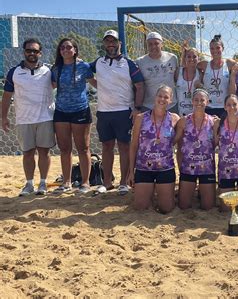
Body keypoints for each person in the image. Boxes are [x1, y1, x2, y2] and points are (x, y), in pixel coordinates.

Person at [90, 30, 145, 195]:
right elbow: (84, 71)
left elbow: (140, 85)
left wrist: (137, 108)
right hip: (104, 111)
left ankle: (123, 182)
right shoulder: (98, 62)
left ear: (119, 43)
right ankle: (107, 183)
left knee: (124, 147)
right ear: (104, 44)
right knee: (106, 147)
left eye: (113, 41)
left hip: (123, 111)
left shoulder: (129, 63)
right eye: (107, 41)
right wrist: (96, 84)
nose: (110, 44)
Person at [1, 38, 55, 196]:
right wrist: (3, 117)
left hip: (45, 117)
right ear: (24, 52)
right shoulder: (14, 72)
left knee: (44, 152)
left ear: (40, 53)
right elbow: (6, 96)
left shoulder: (49, 70)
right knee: (27, 153)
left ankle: (43, 183)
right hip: (23, 119)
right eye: (29, 50)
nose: (32, 53)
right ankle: (29, 184)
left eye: (35, 51)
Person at [51, 38, 96, 194]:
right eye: (62, 47)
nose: (65, 49)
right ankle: (66, 182)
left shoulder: (84, 66)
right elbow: (47, 87)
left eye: (69, 47)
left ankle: (85, 183)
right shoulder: (56, 69)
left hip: (80, 110)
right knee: (64, 149)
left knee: (83, 148)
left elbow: (96, 83)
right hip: (61, 112)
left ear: (75, 50)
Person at [128, 85, 180, 212]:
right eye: (160, 96)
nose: (162, 99)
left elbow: (178, 142)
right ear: (155, 97)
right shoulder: (141, 118)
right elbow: (134, 145)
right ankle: (149, 193)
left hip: (165, 168)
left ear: (171, 100)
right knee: (141, 207)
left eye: (166, 97)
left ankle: (160, 194)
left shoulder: (175, 119)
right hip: (144, 167)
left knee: (166, 209)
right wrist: (131, 172)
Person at [175, 89, 217, 210]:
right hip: (188, 168)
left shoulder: (213, 121)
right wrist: (181, 170)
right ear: (192, 102)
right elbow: (178, 145)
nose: (199, 102)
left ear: (207, 102)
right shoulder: (183, 121)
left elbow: (216, 144)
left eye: (202, 100)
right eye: (196, 100)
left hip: (207, 169)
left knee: (208, 207)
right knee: (183, 206)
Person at [135, 32, 179, 113]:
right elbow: (138, 85)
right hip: (149, 106)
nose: (153, 46)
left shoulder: (172, 58)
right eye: (150, 44)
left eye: (156, 43)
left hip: (170, 105)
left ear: (162, 44)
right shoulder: (140, 62)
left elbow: (177, 79)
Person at [200, 35, 238, 118]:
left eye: (218, 48)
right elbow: (187, 66)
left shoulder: (228, 63)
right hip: (208, 107)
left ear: (223, 48)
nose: (215, 51)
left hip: (224, 108)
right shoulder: (204, 65)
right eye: (212, 48)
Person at [176, 46, 201, 116]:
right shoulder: (178, 72)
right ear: (185, 58)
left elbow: (205, 92)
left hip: (195, 116)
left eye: (194, 56)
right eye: (189, 56)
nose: (192, 59)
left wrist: (201, 86)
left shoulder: (200, 74)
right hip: (179, 114)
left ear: (198, 58)